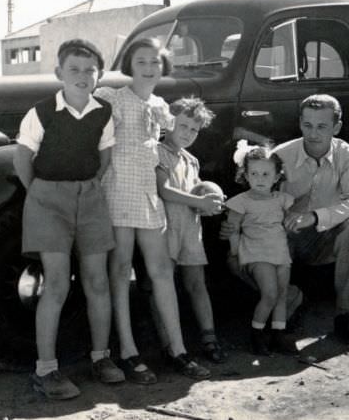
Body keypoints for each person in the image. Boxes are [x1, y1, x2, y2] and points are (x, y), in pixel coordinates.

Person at [94, 38, 211, 383]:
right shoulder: (114, 98)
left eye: (155, 62)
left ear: (163, 68)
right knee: (120, 271)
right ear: (130, 64)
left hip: (147, 194)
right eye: (141, 61)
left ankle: (178, 350)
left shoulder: (161, 106)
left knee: (160, 270)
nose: (148, 67)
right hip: (117, 191)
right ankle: (128, 352)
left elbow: (167, 140)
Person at [14, 38, 124, 400]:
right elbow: (21, 161)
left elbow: (104, 159)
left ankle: (101, 357)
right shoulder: (42, 112)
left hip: (90, 198)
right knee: (57, 283)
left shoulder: (103, 113)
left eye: (89, 70)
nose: (82, 76)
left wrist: (85, 188)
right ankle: (46, 369)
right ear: (59, 73)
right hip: (47, 200)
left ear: (99, 75)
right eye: (73, 69)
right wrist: (43, 194)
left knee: (97, 280)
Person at [227, 94, 349, 346]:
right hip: (283, 236)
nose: (313, 133)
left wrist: (315, 217)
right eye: (307, 125)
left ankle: (343, 316)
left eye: (322, 127)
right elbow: (257, 193)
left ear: (336, 127)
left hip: (327, 235)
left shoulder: (347, 154)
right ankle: (289, 300)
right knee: (236, 257)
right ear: (300, 123)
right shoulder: (281, 155)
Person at [154, 97, 227, 363]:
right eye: (183, 126)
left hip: (190, 229)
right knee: (163, 285)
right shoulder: (157, 152)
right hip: (166, 228)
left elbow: (196, 193)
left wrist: (209, 204)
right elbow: (163, 189)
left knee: (197, 283)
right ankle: (168, 344)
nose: (187, 133)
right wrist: (198, 201)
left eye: (194, 130)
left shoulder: (192, 160)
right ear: (169, 123)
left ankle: (209, 337)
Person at [225, 143, 299, 356]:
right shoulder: (240, 202)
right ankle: (256, 335)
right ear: (245, 175)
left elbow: (292, 222)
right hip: (256, 253)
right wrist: (235, 253)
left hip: (279, 252)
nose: (260, 179)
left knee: (282, 294)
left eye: (266, 174)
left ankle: (278, 334)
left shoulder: (282, 200)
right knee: (270, 294)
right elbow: (233, 230)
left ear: (277, 177)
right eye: (254, 173)